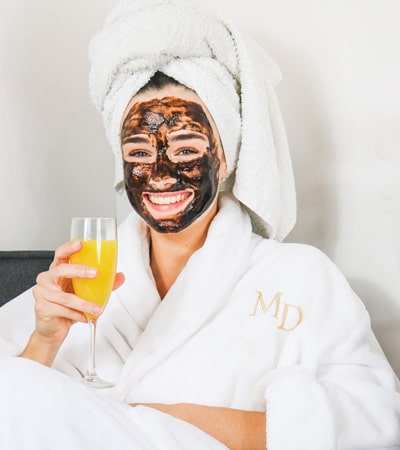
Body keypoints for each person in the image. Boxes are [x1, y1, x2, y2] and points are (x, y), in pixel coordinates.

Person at [0, 1, 399, 449]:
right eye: (139, 153)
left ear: (224, 159)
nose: (160, 174)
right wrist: (45, 340)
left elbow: (376, 422)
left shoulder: (300, 277)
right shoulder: (82, 280)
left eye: (186, 151)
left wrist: (165, 419)